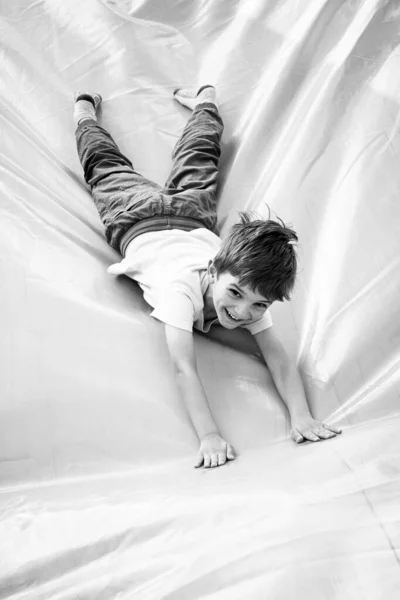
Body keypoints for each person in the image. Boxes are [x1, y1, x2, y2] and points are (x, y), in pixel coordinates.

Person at [73, 86, 342, 469]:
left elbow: (279, 361)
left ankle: (205, 104)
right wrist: (209, 434)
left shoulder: (251, 292)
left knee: (197, 156)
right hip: (139, 214)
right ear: (215, 268)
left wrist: (301, 416)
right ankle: (85, 115)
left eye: (259, 305)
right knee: (106, 165)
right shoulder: (179, 292)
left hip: (185, 217)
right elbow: (184, 367)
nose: (243, 312)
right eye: (235, 293)